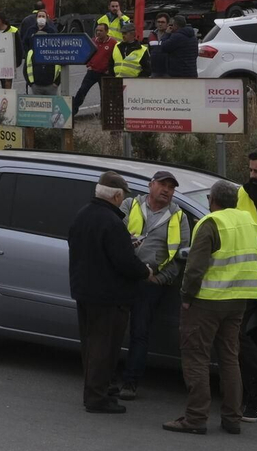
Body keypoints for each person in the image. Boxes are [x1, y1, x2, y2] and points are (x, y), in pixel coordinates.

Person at [165, 181, 257, 435]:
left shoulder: (210, 223)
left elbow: (195, 268)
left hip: (207, 301)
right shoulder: (248, 222)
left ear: (212, 199)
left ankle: (195, 418)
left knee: (196, 357)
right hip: (239, 300)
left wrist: (186, 296)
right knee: (230, 359)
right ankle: (232, 418)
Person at [67, 171, 152, 413]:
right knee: (104, 348)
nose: (123, 199)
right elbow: (124, 262)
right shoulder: (112, 222)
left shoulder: (82, 215)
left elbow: (87, 248)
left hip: (84, 292)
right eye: (122, 195)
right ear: (115, 195)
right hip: (109, 296)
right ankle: (97, 397)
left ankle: (96, 389)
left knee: (91, 346)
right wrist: (144, 271)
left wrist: (126, 243)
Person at [118, 171, 191, 399]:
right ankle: (105, 379)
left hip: (150, 283)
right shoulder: (130, 205)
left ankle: (130, 382)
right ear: (151, 185)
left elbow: (181, 256)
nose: (167, 190)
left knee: (140, 332)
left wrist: (160, 279)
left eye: (171, 187)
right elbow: (112, 235)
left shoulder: (178, 217)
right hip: (122, 277)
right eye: (162, 184)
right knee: (111, 329)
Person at [234, 151, 257, 420]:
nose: (252, 176)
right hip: (246, 273)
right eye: (251, 170)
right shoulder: (243, 193)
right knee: (238, 334)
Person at [71, 23, 115, 116]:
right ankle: (71, 112)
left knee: (105, 96)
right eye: (97, 31)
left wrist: (110, 70)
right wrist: (89, 65)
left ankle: (104, 116)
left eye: (101, 31)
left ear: (106, 32)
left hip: (105, 73)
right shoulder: (92, 41)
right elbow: (85, 53)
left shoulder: (113, 43)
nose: (98, 33)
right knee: (82, 91)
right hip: (92, 72)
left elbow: (116, 58)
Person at [159, 14, 199, 78]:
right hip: (192, 72)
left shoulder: (177, 36)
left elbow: (163, 47)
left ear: (176, 25)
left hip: (178, 73)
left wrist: (167, 34)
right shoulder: (193, 36)